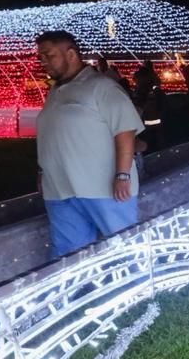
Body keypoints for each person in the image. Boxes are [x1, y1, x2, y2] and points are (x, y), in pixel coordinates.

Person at [35, 31, 146, 258]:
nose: (42, 61)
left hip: (103, 189)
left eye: (48, 55)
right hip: (60, 189)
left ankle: (139, 289)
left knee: (124, 247)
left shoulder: (102, 87)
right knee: (68, 255)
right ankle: (79, 293)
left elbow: (125, 132)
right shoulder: (55, 92)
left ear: (71, 54)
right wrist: (42, 171)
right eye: (41, 56)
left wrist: (122, 174)